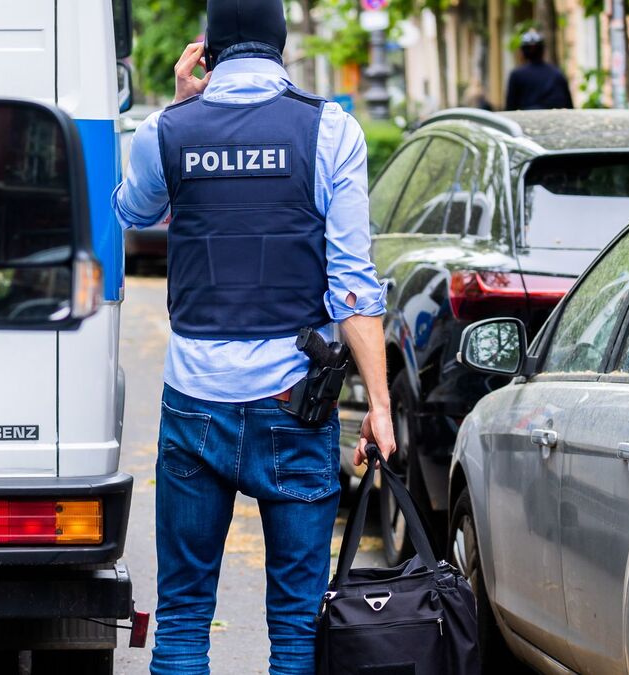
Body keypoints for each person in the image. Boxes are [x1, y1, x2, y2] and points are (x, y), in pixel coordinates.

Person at [111, 0, 396, 672]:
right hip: (294, 405)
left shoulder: (166, 131)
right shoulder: (330, 130)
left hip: (194, 401)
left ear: (207, 51)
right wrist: (380, 407)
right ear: (282, 43)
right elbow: (354, 286)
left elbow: (130, 208)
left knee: (181, 619)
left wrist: (180, 108)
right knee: (298, 626)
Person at [505, 29, 573, 110]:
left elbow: (510, 107)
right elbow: (569, 106)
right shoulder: (556, 74)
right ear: (543, 51)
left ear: (522, 52)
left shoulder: (516, 75)